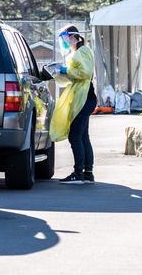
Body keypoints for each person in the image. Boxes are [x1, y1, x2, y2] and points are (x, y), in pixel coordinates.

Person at [49, 24, 97, 185]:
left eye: (65, 38)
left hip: (85, 99)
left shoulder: (83, 51)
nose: (64, 41)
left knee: (75, 135)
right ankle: (87, 174)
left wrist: (65, 71)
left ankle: (78, 174)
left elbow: (85, 73)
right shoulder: (76, 52)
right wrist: (58, 72)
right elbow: (72, 78)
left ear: (73, 36)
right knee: (83, 136)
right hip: (83, 98)